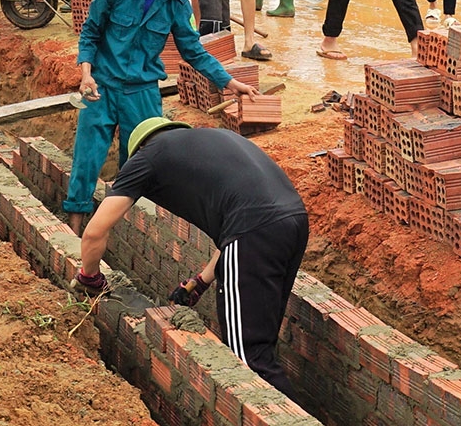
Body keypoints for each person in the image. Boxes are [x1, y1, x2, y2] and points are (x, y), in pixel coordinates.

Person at [75, 118, 308, 396]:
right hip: (293, 222)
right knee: (261, 344)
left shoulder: (147, 158)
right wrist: (202, 280)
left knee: (248, 361)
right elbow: (238, 218)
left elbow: (94, 232)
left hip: (252, 232)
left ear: (139, 149)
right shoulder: (213, 140)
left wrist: (90, 277)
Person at [65, 0, 256, 235]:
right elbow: (90, 34)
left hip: (142, 94)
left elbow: (193, 52)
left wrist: (230, 82)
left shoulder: (176, 5)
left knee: (139, 165)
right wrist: (86, 73)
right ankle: (75, 226)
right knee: (87, 157)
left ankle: (125, 228)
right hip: (101, 87)